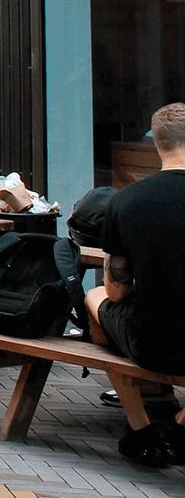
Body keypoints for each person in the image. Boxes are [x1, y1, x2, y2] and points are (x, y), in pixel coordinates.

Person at [85, 103, 185, 420]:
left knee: (94, 295)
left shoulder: (126, 200)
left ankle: (139, 414)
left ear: (156, 143)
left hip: (153, 344)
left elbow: (116, 293)